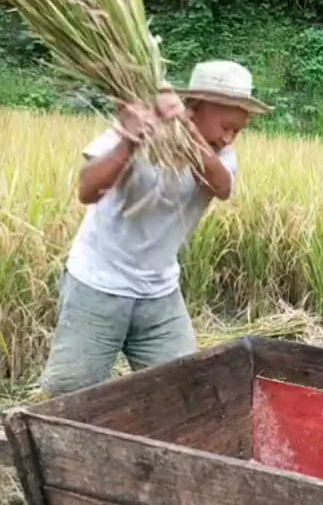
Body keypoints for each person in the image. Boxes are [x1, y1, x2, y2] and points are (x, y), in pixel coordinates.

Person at [41, 60, 271, 395]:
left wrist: (186, 132)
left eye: (237, 130)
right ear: (197, 106)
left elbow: (221, 186)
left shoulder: (220, 153)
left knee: (186, 391)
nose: (228, 136)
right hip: (98, 283)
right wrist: (129, 139)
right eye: (225, 126)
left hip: (159, 293)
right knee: (71, 392)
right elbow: (87, 191)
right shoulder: (138, 131)